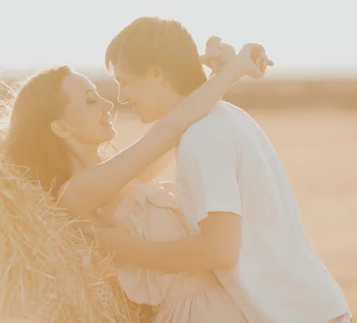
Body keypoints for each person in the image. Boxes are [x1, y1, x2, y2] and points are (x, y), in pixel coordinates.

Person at [95, 16, 352, 323]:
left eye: (125, 81)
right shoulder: (220, 118)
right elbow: (135, 173)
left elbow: (219, 249)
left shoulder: (203, 137)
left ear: (156, 73)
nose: (121, 97)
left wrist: (127, 251)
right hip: (311, 309)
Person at [1, 35, 272, 322]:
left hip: (221, 304)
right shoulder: (78, 193)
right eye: (91, 100)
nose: (108, 104)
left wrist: (201, 72)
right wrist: (234, 71)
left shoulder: (122, 179)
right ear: (62, 128)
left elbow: (184, 122)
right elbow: (169, 129)